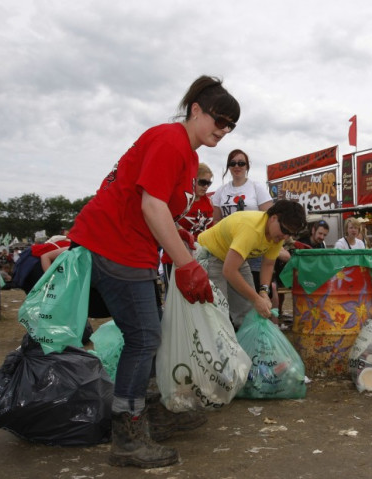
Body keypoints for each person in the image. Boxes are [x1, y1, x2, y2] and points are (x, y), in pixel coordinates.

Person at [68, 75, 235, 468]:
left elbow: (155, 207)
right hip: (115, 243)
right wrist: (187, 264)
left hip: (130, 245)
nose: (224, 131)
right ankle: (128, 434)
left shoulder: (187, 153)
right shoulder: (169, 140)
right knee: (144, 337)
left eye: (231, 126)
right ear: (196, 110)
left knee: (148, 334)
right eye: (219, 120)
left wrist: (178, 243)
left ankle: (149, 411)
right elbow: (150, 206)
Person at [197, 200, 307, 325]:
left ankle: (246, 342)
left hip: (235, 257)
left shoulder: (277, 236)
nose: (285, 237)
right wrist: (256, 299)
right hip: (210, 254)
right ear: (273, 218)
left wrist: (263, 292)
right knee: (218, 310)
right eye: (285, 230)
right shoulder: (251, 229)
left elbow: (268, 264)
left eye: (290, 234)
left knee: (249, 311)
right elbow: (229, 271)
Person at [211, 149, 273, 297]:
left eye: (241, 163)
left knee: (254, 289)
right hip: (229, 247)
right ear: (228, 167)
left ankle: (258, 318)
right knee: (233, 290)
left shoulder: (256, 187)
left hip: (253, 247)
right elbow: (216, 220)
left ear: (247, 166)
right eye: (232, 163)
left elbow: (270, 218)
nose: (237, 166)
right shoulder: (221, 191)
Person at [160, 162, 215, 283]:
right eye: (202, 182)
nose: (206, 186)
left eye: (208, 183)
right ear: (193, 180)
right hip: (175, 258)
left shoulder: (209, 203)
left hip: (200, 259)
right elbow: (166, 222)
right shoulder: (181, 200)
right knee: (174, 300)